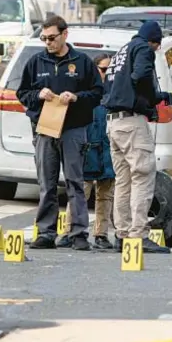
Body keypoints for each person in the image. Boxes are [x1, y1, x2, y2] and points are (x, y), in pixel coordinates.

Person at [16, 15, 103, 251]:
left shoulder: (82, 62)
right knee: (47, 183)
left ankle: (78, 233)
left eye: (52, 38)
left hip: (74, 129)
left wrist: (76, 97)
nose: (48, 43)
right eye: (44, 38)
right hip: (45, 130)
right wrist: (37, 95)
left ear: (65, 34)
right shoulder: (36, 62)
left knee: (75, 182)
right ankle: (45, 232)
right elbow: (22, 93)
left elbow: (97, 92)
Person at [102, 20, 172, 254]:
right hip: (132, 121)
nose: (156, 50)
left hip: (113, 122)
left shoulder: (122, 51)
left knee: (123, 180)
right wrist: (154, 96)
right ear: (155, 41)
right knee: (143, 175)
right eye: (157, 46)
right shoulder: (143, 48)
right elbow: (141, 75)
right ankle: (139, 235)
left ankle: (121, 235)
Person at [58, 53, 116, 250]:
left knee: (106, 192)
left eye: (110, 70)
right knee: (80, 188)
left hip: (108, 147)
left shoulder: (116, 89)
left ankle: (101, 234)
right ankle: (69, 231)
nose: (107, 74)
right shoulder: (88, 89)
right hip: (88, 145)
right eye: (103, 69)